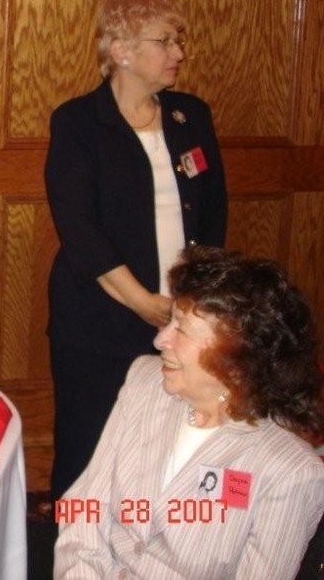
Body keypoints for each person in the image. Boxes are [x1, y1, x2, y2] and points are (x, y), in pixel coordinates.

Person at [44, 0, 227, 499]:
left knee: (167, 446)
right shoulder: (78, 122)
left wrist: (194, 303)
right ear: (121, 50)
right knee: (89, 450)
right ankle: (73, 543)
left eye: (179, 40)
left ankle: (150, 542)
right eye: (165, 41)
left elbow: (213, 213)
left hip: (183, 317)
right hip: (98, 319)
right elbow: (81, 230)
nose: (179, 53)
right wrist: (145, 303)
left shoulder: (191, 116)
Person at [54, 245, 324, 578]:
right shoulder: (145, 382)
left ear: (237, 360)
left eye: (181, 329)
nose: (159, 341)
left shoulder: (289, 472)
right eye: (170, 321)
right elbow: (85, 508)